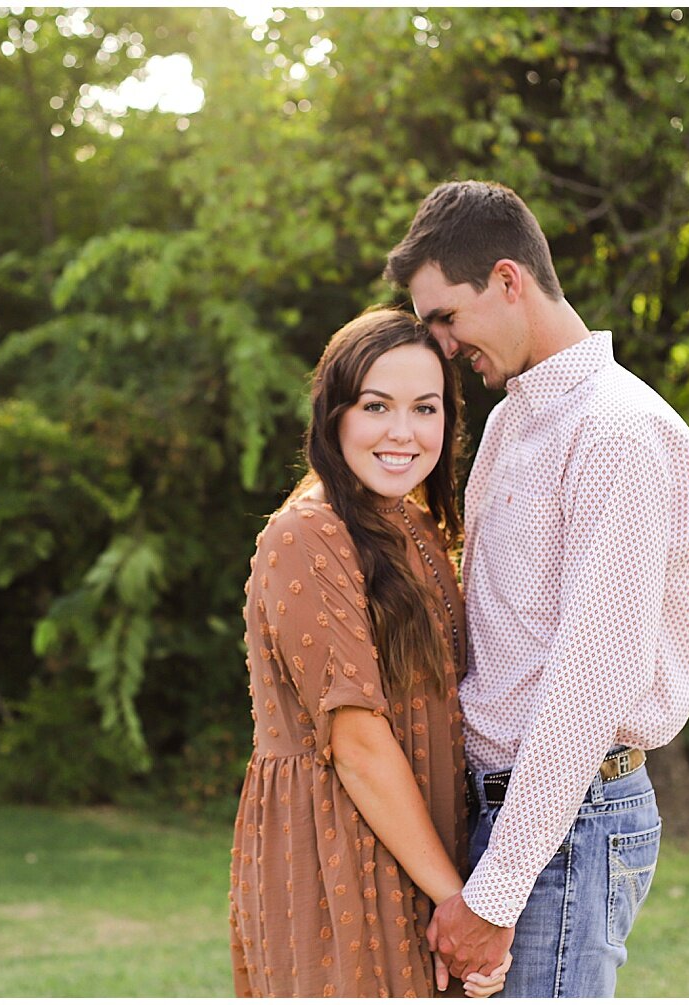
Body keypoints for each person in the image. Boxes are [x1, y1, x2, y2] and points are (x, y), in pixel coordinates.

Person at [383, 180, 689, 997]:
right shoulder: (512, 420)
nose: (444, 346)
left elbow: (588, 681)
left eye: (446, 318)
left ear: (506, 279)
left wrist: (496, 892)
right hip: (504, 817)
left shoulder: (617, 433)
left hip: (570, 820)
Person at [228, 308, 510, 998]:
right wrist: (460, 904)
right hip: (335, 861)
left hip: (415, 850)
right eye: (376, 405)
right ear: (334, 415)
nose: (403, 431)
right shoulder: (307, 534)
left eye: (425, 407)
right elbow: (356, 741)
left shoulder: (412, 524)